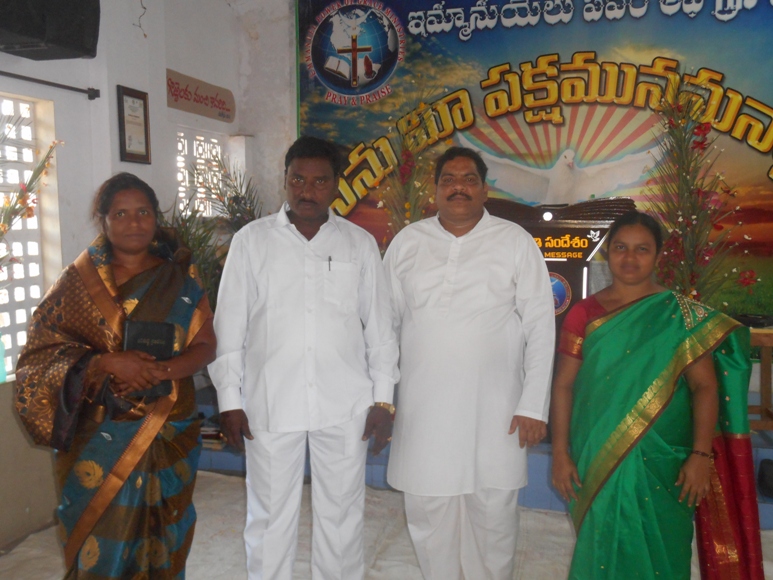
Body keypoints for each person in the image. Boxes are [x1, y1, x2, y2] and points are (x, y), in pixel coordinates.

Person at [208, 135, 399, 579]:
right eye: (297, 179)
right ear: (285, 179)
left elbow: (381, 329)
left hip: (346, 404)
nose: (306, 191)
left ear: (336, 185)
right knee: (269, 516)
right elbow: (229, 327)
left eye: (319, 181)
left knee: (342, 515)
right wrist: (229, 401)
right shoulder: (252, 242)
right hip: (270, 402)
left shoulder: (358, 244)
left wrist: (384, 400)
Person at [15, 172, 217, 578]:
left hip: (167, 423)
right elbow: (41, 355)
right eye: (120, 214)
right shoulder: (77, 283)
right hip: (99, 432)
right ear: (103, 220)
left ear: (156, 217)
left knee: (165, 529)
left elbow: (206, 345)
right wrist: (105, 363)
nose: (134, 222)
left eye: (143, 212)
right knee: (99, 536)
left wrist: (160, 370)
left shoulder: (180, 277)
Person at [550, 210, 764, 579]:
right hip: (595, 451)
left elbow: (704, 387)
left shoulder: (681, 316)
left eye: (642, 249)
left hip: (664, 458)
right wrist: (559, 453)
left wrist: (700, 456)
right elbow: (564, 384)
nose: (629, 258)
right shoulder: (584, 313)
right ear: (607, 251)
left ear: (659, 255)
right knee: (599, 544)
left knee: (661, 550)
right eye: (620, 248)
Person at [384, 146, 555, 580]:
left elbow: (540, 325)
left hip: (497, 409)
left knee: (493, 516)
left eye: (468, 179)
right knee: (428, 511)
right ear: (435, 189)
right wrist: (383, 399)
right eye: (448, 180)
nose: (458, 187)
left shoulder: (514, 241)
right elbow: (384, 325)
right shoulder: (408, 243)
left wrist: (533, 405)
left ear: (484, 189)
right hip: (425, 408)